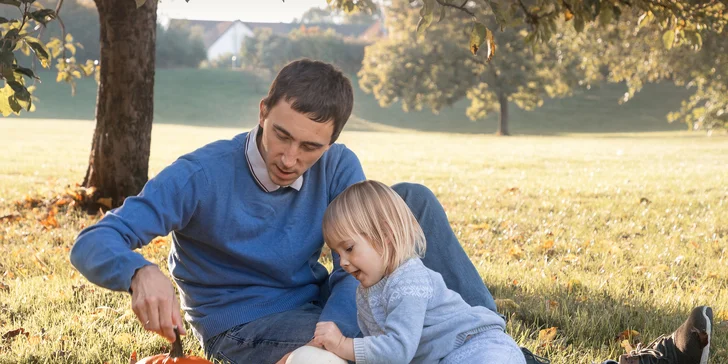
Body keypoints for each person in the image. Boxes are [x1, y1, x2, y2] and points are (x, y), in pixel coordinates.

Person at [69, 59, 499, 364]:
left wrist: (335, 326)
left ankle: (492, 337)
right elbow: (93, 241)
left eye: (310, 147)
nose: (290, 158)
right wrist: (138, 272)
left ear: (330, 143)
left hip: (319, 305)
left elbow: (351, 265)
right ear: (262, 112)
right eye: (281, 135)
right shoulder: (200, 175)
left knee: (412, 200)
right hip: (246, 323)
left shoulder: (337, 165)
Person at [312, 180, 526, 363]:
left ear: (385, 234)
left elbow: (397, 351)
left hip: (479, 347)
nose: (343, 263)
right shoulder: (365, 293)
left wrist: (343, 344)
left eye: (349, 248)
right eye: (338, 253)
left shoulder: (408, 280)